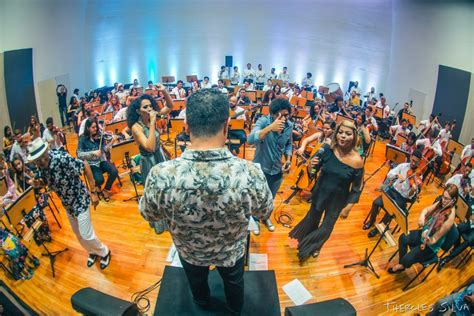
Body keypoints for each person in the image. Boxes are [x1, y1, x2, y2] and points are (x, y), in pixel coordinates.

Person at [139, 89, 273, 315]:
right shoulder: (250, 173)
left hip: (190, 253)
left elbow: (148, 214)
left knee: (197, 283)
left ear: (187, 127)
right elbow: (265, 210)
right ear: (227, 125)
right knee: (234, 284)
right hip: (231, 254)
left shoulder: (160, 174)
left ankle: (201, 303)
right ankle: (233, 309)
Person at [28, 138, 111, 269]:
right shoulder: (41, 168)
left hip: (80, 199)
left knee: (86, 234)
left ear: (46, 151)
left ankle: (104, 252)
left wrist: (94, 192)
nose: (42, 161)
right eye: (38, 160)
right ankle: (92, 252)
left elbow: (85, 165)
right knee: (78, 235)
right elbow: (46, 182)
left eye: (43, 157)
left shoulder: (61, 158)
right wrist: (38, 184)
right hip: (67, 204)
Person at [289, 120, 363, 260]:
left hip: (338, 200)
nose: (342, 136)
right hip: (320, 192)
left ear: (354, 137)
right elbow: (313, 171)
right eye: (340, 133)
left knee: (326, 228)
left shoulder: (357, 161)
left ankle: (313, 246)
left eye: (347, 134)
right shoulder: (328, 149)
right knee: (312, 219)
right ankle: (308, 244)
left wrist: (348, 207)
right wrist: (311, 167)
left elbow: (357, 188)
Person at [128, 85, 174, 233]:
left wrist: (164, 91)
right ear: (138, 111)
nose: (149, 109)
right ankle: (159, 224)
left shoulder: (152, 117)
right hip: (149, 161)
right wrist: (153, 122)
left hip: (160, 156)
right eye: (145, 107)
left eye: (150, 106)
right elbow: (150, 147)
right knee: (155, 192)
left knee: (166, 187)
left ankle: (170, 217)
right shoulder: (136, 127)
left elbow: (170, 106)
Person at [388, 184, 458, 274]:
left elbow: (434, 239)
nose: (443, 200)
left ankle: (402, 265)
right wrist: (422, 217)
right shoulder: (442, 202)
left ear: (453, 200)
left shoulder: (450, 219)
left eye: (446, 199)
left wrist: (428, 240)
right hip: (424, 233)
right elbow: (426, 210)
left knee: (406, 259)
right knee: (403, 238)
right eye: (443, 197)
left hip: (430, 246)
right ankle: (403, 263)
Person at [248, 98, 293, 234]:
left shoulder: (289, 126)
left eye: (287, 115)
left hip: (277, 169)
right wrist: (270, 128)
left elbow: (289, 144)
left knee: (270, 197)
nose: (285, 118)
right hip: (261, 168)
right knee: (257, 196)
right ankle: (255, 219)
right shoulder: (263, 121)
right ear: (273, 114)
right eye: (281, 115)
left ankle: (265, 217)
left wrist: (288, 159)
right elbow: (250, 139)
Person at [364, 149, 423, 236]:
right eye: (413, 160)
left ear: (419, 163)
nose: (414, 163)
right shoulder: (403, 166)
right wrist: (397, 175)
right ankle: (371, 221)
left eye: (416, 162)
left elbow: (410, 196)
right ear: (410, 157)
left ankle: (377, 229)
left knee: (390, 212)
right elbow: (389, 174)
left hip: (402, 198)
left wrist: (413, 190)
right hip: (392, 191)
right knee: (376, 202)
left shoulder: (419, 176)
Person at [77, 119, 119, 202]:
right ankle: (97, 186)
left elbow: (104, 150)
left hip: (101, 161)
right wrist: (93, 153)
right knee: (100, 180)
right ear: (88, 128)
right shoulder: (82, 139)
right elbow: (79, 154)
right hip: (91, 164)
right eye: (93, 127)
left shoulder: (99, 136)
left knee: (114, 171)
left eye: (96, 127)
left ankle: (106, 190)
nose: (96, 129)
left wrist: (111, 142)